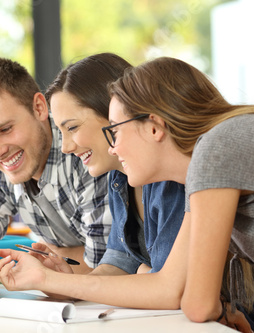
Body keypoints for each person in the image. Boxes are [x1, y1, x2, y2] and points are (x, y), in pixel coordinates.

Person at [0, 57, 254, 333]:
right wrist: (59, 278)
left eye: (114, 129)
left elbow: (191, 301)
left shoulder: (215, 151)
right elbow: (162, 281)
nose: (113, 146)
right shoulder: (198, 168)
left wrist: (154, 279)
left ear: (154, 126)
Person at [0, 57, 112, 290]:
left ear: (39, 108)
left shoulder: (84, 153)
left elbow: (104, 265)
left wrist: (42, 266)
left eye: (5, 129)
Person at [43, 52, 185, 275]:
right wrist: (67, 283)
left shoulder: (170, 176)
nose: (65, 147)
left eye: (72, 128)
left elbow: (167, 283)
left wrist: (145, 274)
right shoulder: (118, 177)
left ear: (114, 111)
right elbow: (119, 262)